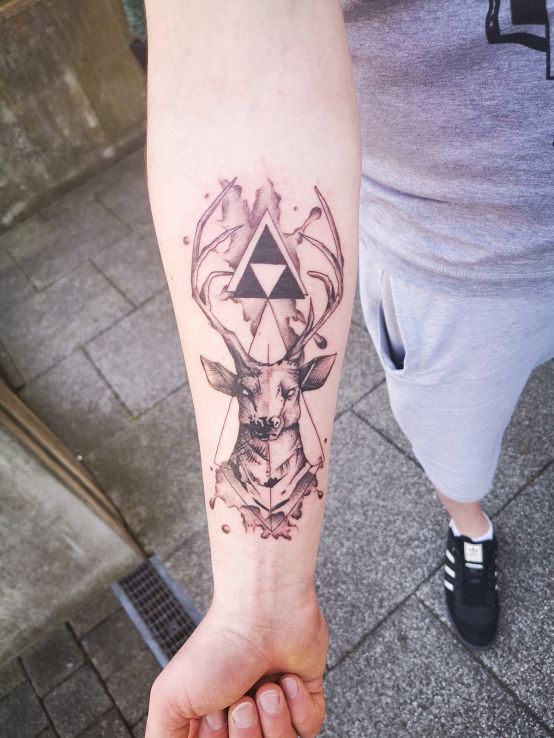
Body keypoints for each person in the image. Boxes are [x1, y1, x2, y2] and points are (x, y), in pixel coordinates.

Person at [144, 1, 554, 736]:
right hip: (459, 264)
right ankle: (470, 526)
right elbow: (240, 79)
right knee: (458, 449)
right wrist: (262, 602)